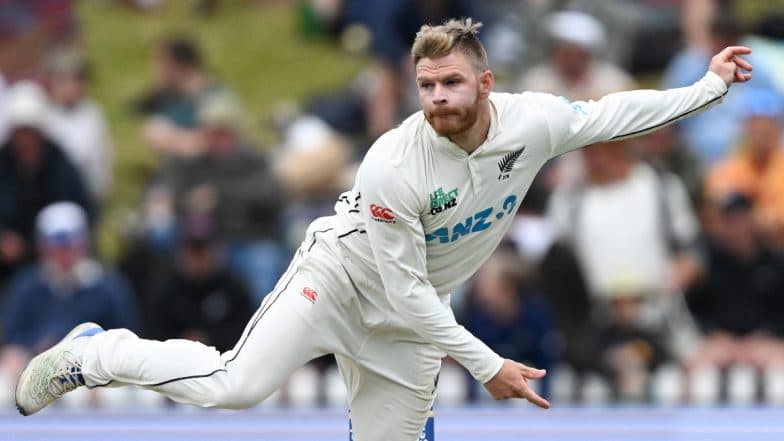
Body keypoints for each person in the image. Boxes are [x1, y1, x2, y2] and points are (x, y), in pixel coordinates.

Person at [15, 18, 751, 440]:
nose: (437, 98)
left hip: (408, 324)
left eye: (452, 83)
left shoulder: (536, 121)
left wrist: (708, 87)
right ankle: (97, 352)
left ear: (486, 84)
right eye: (426, 85)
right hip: (338, 282)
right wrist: (486, 362)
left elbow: (614, 115)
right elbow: (404, 290)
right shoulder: (391, 163)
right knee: (233, 386)